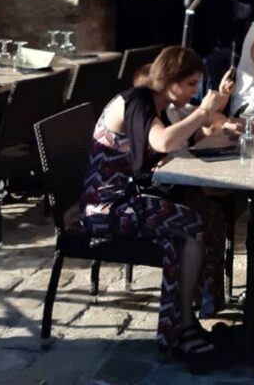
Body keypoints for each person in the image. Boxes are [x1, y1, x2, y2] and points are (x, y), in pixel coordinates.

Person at [80, 46, 236, 361]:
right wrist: (203, 112)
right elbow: (163, 142)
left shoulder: (159, 104)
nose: (195, 90)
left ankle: (203, 306)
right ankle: (183, 327)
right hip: (107, 206)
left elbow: (174, 142)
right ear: (171, 80)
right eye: (191, 83)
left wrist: (212, 107)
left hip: (134, 196)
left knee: (211, 212)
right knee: (190, 224)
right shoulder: (137, 100)